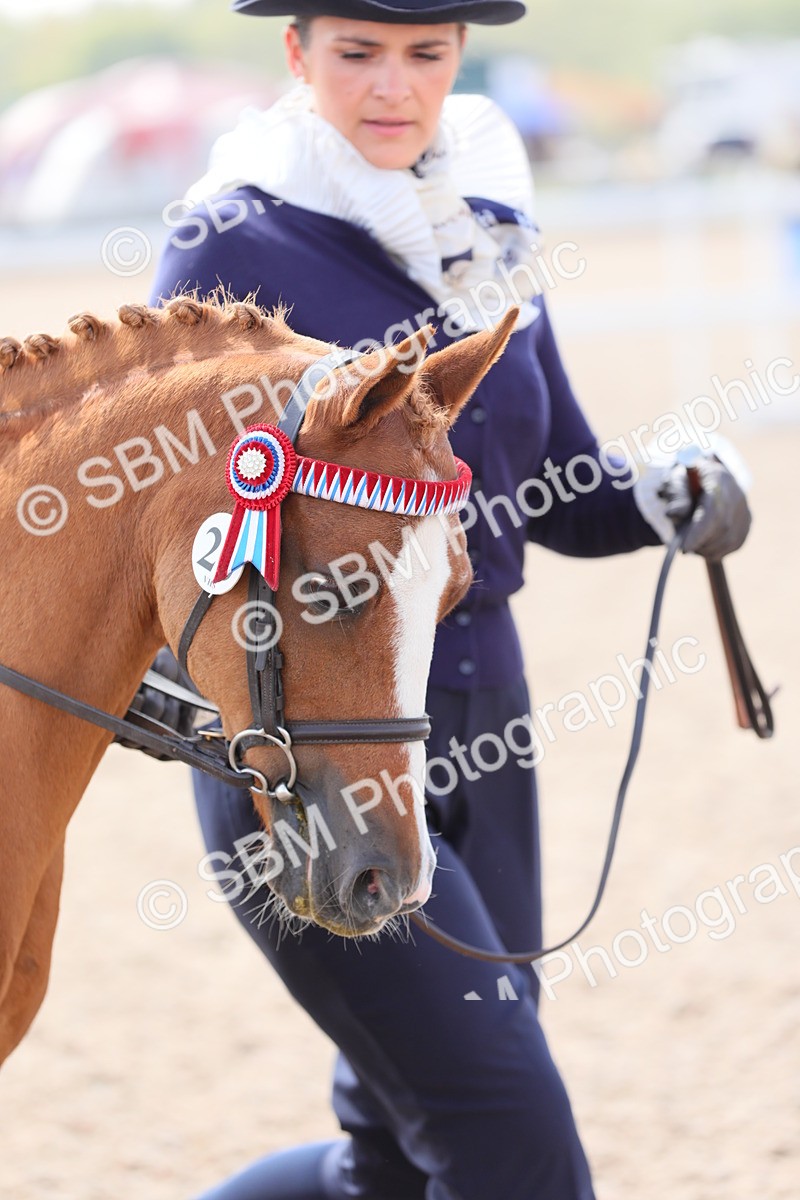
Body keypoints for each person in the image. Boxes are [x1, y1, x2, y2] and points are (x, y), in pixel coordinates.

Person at [147, 3, 751, 1197]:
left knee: (393, 1146)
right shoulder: (228, 244)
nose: (392, 89)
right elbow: (162, 540)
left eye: (425, 55)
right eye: (357, 54)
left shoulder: (485, 232)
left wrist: (671, 493)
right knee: (508, 1138)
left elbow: (563, 490)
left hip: (487, 723)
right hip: (308, 753)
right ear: (296, 55)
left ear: (459, 60)